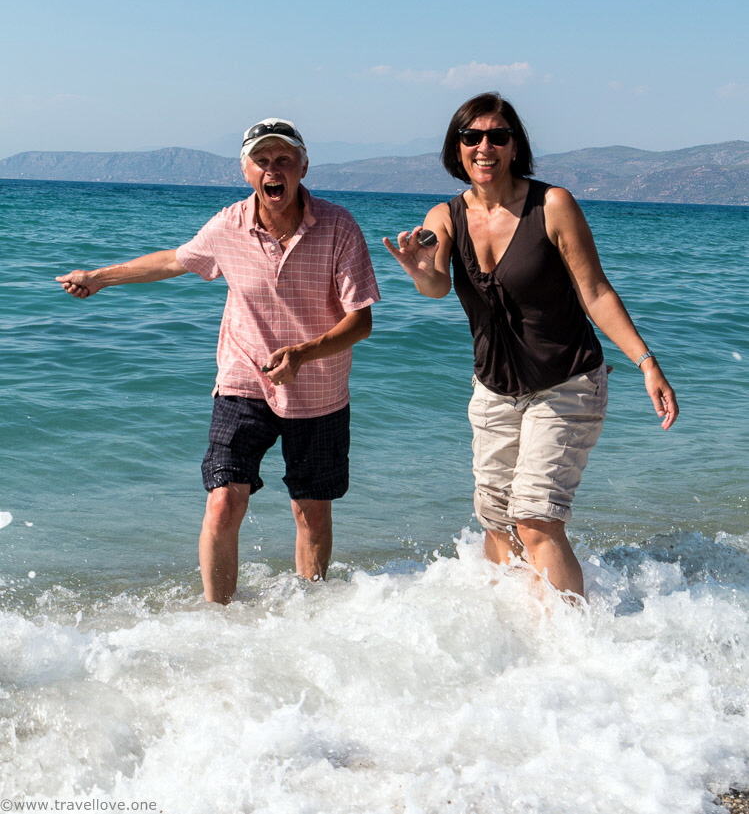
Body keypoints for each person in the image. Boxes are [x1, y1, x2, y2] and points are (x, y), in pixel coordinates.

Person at [56, 118, 380, 604]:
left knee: (311, 512)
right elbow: (174, 260)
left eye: (284, 160)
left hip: (319, 391)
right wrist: (100, 277)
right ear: (246, 171)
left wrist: (303, 353)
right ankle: (218, 620)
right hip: (243, 381)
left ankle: (310, 616)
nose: (273, 170)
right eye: (262, 161)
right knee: (224, 502)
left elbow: (361, 322)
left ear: (304, 167)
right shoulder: (228, 225)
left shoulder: (339, 226)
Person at [384, 92, 678, 600]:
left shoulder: (553, 205)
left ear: (515, 146)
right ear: (457, 147)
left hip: (566, 381)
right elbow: (434, 284)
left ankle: (570, 637)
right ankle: (518, 630)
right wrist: (418, 269)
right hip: (494, 390)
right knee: (498, 523)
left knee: (536, 519)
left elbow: (595, 291)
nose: (484, 147)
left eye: (497, 136)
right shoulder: (446, 216)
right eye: (472, 137)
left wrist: (646, 363)